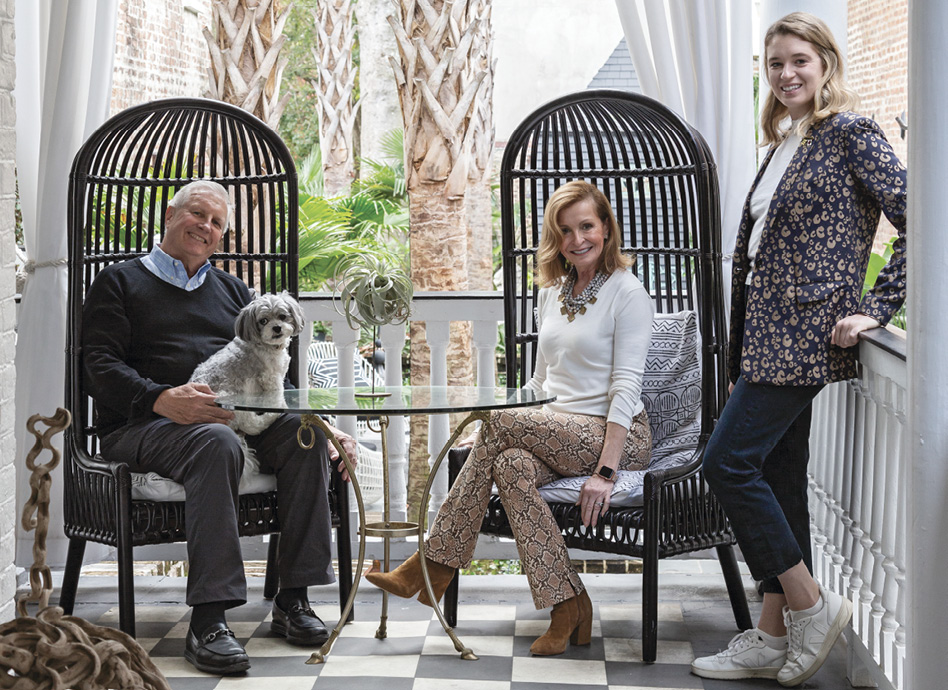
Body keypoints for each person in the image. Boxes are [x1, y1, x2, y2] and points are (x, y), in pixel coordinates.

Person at [690, 12, 906, 687]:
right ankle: (773, 633)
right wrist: (738, 359)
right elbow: (758, 256)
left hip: (806, 335)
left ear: (825, 65)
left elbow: (926, 219)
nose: (786, 74)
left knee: (726, 462)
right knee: (780, 479)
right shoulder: (785, 140)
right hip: (765, 339)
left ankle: (811, 605)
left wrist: (876, 306)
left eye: (799, 61)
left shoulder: (850, 133)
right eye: (775, 63)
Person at [365, 180, 655, 656]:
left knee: (498, 423)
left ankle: (430, 565)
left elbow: (626, 389)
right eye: (565, 231)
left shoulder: (628, 293)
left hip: (614, 435)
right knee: (510, 464)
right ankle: (568, 605)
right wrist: (498, 434)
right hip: (557, 430)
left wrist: (605, 472)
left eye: (586, 226)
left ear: (606, 227)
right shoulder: (553, 293)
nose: (577, 239)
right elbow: (540, 383)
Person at [82, 180, 357, 675]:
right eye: (197, 213)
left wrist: (323, 424)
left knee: (306, 437)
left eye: (216, 223)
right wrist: (161, 398)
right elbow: (97, 366)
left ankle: (293, 599)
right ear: (170, 215)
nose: (205, 227)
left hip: (237, 418)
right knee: (217, 441)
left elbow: (274, 370)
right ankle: (209, 620)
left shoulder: (232, 291)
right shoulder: (119, 282)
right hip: (144, 426)